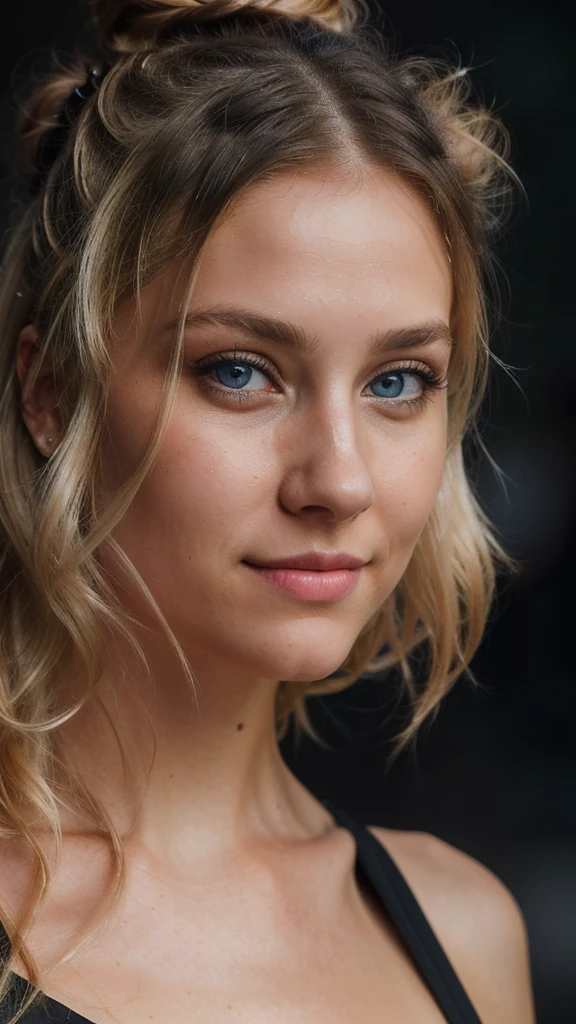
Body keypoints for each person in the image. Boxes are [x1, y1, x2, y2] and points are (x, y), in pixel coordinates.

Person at [0, 0, 536, 1020]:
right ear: (52, 392)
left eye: (398, 381)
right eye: (240, 371)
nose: (338, 481)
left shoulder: (465, 934)